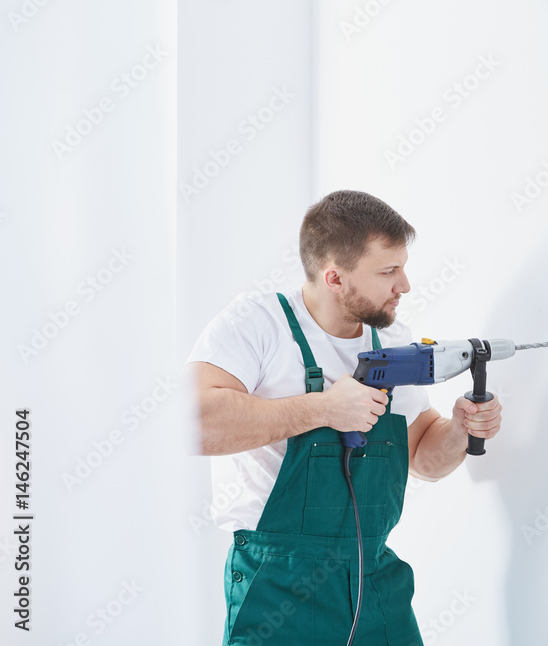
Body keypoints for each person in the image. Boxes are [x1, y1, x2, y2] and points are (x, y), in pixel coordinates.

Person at [185, 190, 502, 645]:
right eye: (388, 271)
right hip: (279, 582)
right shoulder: (256, 324)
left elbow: (424, 461)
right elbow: (193, 424)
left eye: (403, 267)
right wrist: (323, 409)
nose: (405, 285)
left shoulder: (392, 340)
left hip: (375, 578)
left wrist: (459, 429)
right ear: (334, 277)